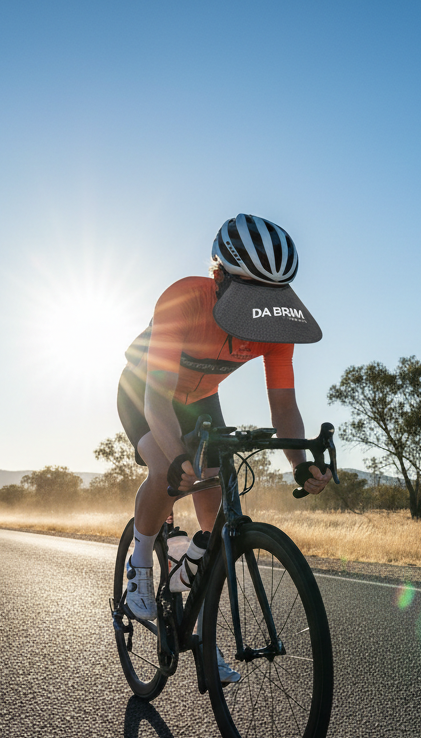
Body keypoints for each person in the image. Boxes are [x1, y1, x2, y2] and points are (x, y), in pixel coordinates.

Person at [116, 214, 332, 656]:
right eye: (251, 294)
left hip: (199, 399)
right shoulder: (184, 299)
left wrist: (299, 463)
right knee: (168, 471)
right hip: (146, 391)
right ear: (220, 278)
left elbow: (284, 405)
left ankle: (192, 602)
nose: (260, 308)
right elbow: (157, 401)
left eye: (270, 297)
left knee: (214, 515)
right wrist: (177, 458)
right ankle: (139, 564)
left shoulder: (276, 328)